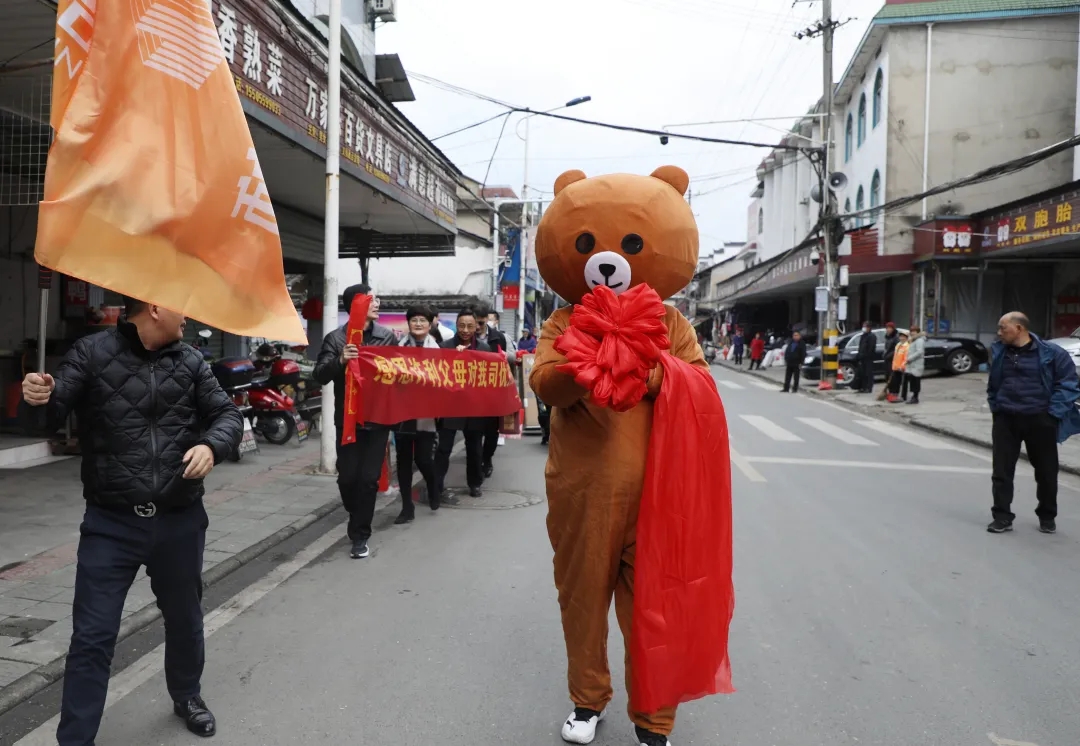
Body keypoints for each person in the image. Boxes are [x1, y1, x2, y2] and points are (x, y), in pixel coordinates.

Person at [21, 297, 243, 744]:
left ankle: (187, 695)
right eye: (182, 306)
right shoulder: (91, 352)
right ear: (157, 308)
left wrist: (212, 446)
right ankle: (75, 737)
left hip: (179, 520)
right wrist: (37, 396)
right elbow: (50, 413)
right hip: (111, 523)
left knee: (184, 619)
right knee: (92, 635)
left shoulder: (192, 361)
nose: (189, 315)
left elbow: (227, 414)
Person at [314, 283, 398, 559]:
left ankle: (360, 535)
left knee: (368, 479)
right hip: (347, 421)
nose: (378, 303)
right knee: (348, 479)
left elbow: (399, 375)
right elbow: (319, 375)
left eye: (378, 298)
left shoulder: (387, 337)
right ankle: (357, 514)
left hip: (377, 421)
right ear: (356, 306)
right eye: (372, 300)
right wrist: (340, 360)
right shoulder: (336, 339)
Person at [985, 312, 1080, 535]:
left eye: (1003, 328)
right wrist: (996, 407)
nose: (999, 333)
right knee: (1001, 471)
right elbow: (993, 383)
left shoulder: (1052, 353)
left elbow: (1068, 385)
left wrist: (1052, 414)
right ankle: (1002, 516)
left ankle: (1047, 516)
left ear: (1019, 328)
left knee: (1046, 472)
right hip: (1006, 419)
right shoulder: (999, 351)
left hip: (1040, 419)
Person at [435, 308, 492, 498]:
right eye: (461, 326)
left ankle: (475, 483)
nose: (465, 330)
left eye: (469, 326)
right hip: (450, 405)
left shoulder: (484, 349)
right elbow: (439, 376)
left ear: (477, 326)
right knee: (443, 448)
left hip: (475, 407)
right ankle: (437, 484)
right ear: (456, 326)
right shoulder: (445, 347)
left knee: (474, 448)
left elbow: (488, 379)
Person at [393, 305, 441, 522]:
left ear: (430, 324)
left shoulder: (438, 350)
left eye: (423, 320)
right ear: (408, 323)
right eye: (414, 320)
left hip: (426, 414)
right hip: (403, 412)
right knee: (403, 462)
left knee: (423, 460)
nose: (418, 324)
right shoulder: (397, 347)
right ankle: (406, 507)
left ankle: (432, 487)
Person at [479, 307, 515, 478]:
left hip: (494, 390)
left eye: (481, 321)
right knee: (474, 431)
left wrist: (501, 356)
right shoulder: (466, 336)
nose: (477, 326)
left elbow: (512, 359)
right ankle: (476, 461)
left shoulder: (499, 337)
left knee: (492, 431)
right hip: (474, 391)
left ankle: (487, 459)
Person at [904, 326, 926, 405]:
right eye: (911, 331)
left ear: (917, 332)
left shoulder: (919, 340)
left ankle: (915, 397)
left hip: (916, 364)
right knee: (912, 381)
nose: (912, 332)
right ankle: (913, 396)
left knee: (916, 381)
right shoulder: (912, 340)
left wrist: (909, 358)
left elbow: (919, 352)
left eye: (914, 331)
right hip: (911, 364)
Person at [878, 322, 899, 401]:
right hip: (887, 360)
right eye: (887, 328)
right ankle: (889, 392)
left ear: (893, 329)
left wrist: (889, 355)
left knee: (893, 377)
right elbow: (886, 348)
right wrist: (884, 354)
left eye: (890, 328)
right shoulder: (887, 337)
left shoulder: (896, 337)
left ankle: (893, 393)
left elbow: (896, 349)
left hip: (893, 360)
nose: (888, 330)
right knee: (887, 376)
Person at [886, 332, 909, 403]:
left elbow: (906, 358)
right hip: (895, 367)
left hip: (902, 368)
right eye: (900, 336)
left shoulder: (907, 346)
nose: (901, 338)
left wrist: (902, 366)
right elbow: (895, 357)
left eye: (903, 337)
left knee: (901, 382)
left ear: (906, 337)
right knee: (895, 382)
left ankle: (902, 397)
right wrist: (894, 366)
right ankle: (894, 395)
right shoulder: (898, 345)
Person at [855, 322, 876, 394]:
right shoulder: (863, 336)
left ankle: (868, 387)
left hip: (868, 358)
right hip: (862, 358)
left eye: (865, 327)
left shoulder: (872, 336)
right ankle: (863, 387)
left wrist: (867, 355)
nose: (864, 328)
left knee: (868, 373)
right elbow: (860, 346)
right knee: (862, 373)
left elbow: (871, 348)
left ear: (869, 328)